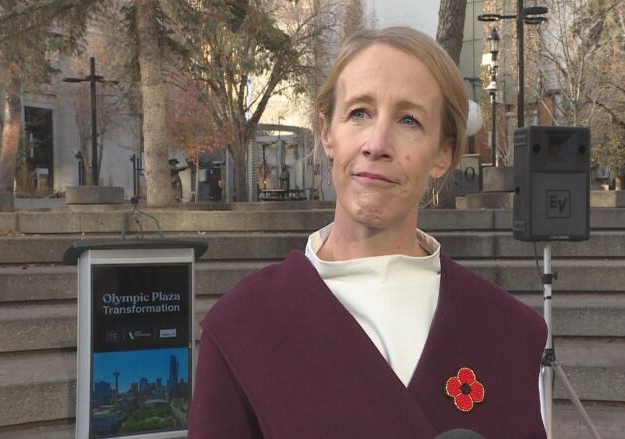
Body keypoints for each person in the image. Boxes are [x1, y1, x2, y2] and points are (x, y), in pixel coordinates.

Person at [189, 27, 547, 438]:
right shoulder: (243, 326)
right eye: (359, 113)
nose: (377, 144)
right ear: (327, 133)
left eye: (409, 120)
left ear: (443, 154)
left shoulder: (506, 333)